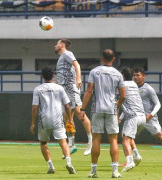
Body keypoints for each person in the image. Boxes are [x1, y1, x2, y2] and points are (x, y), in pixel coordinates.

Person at [81, 49, 126, 178]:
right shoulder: (118, 74)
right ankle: (115, 171)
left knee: (96, 139)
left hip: (97, 109)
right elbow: (123, 96)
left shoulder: (94, 71)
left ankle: (94, 171)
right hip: (111, 109)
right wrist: (116, 107)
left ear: (101, 58)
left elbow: (89, 90)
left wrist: (83, 108)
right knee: (113, 140)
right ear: (113, 59)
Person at [30, 66, 76, 174]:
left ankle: (51, 166)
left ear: (42, 76)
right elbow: (67, 106)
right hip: (57, 118)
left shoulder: (38, 89)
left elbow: (35, 107)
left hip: (44, 120)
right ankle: (68, 163)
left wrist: (32, 123)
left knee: (43, 142)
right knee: (63, 142)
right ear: (53, 76)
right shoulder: (59, 88)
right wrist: (70, 120)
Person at [54, 39, 92, 156]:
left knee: (79, 113)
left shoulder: (67, 53)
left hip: (71, 88)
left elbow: (76, 64)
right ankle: (72, 144)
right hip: (63, 90)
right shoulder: (61, 58)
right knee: (67, 117)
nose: (55, 46)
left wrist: (78, 78)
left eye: (57, 43)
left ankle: (91, 142)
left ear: (63, 45)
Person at [118, 67, 146, 172]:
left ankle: (129, 162)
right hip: (142, 117)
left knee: (125, 140)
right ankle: (136, 155)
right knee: (128, 137)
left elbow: (122, 98)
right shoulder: (134, 85)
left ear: (123, 76)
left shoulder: (122, 85)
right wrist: (121, 118)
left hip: (133, 117)